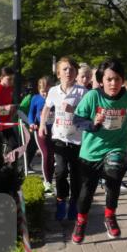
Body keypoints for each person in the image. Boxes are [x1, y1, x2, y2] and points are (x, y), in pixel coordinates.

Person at [71, 59, 127, 245]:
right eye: (109, 80)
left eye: (117, 79)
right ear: (101, 80)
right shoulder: (92, 97)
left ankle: (110, 216)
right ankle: (81, 222)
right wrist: (93, 124)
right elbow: (77, 120)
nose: (113, 84)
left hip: (117, 146)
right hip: (90, 151)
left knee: (113, 177)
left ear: (122, 80)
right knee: (86, 193)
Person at [41, 58, 87, 221]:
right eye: (65, 69)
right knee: (60, 171)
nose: (69, 72)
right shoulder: (53, 91)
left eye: (72, 69)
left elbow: (88, 115)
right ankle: (61, 201)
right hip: (59, 138)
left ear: (76, 73)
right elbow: (46, 108)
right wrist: (41, 126)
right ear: (58, 73)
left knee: (76, 175)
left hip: (77, 141)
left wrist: (73, 109)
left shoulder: (82, 92)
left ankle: (74, 203)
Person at [27, 76, 55, 194]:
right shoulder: (35, 98)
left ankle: (50, 180)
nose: (45, 94)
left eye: (47, 92)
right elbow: (31, 113)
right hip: (40, 130)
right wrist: (32, 123)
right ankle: (47, 182)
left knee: (52, 157)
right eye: (42, 92)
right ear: (39, 90)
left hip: (54, 130)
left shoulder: (55, 98)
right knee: (46, 154)